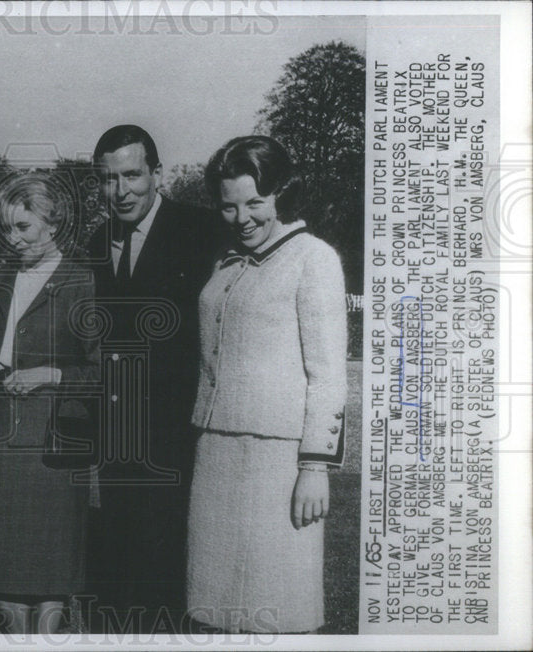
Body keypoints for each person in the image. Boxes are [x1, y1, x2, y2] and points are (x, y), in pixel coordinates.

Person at [187, 135, 346, 633]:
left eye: (256, 202)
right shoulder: (225, 261)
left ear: (282, 194)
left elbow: (328, 371)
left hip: (278, 460)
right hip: (215, 451)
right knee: (215, 610)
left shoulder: (313, 258)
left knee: (275, 607)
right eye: (230, 207)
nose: (243, 218)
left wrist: (315, 466)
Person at [85, 125, 223, 631]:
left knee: (172, 573)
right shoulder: (97, 241)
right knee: (122, 572)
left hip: (181, 434)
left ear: (157, 174)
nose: (120, 191)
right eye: (107, 179)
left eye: (131, 175)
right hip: (119, 437)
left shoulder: (203, 231)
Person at [0, 173, 100, 635]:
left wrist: (52, 375)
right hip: (0, 441)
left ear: (53, 223)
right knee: (2, 569)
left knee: (51, 572)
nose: (12, 238)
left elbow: (101, 371)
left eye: (23, 227)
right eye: (6, 228)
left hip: (55, 447)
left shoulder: (82, 280)